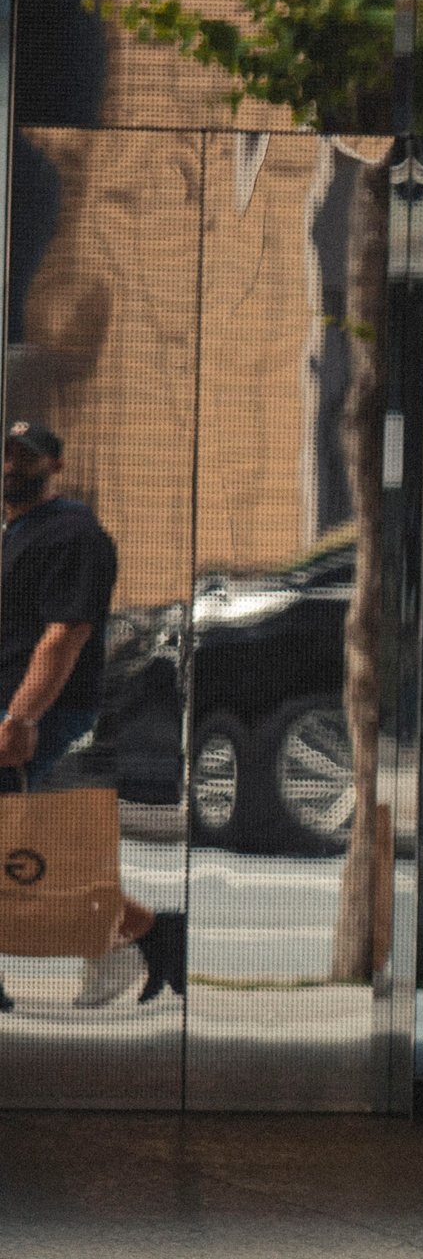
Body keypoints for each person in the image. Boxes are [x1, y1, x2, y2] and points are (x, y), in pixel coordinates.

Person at [0, 421, 183, 1006]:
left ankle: (133, 936)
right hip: (16, 701)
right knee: (16, 846)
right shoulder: (17, 532)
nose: (10, 467)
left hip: (36, 706)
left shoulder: (74, 535)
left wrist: (23, 718)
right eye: (4, 456)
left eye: (25, 458)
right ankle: (141, 935)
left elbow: (64, 636)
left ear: (54, 465)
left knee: (20, 847)